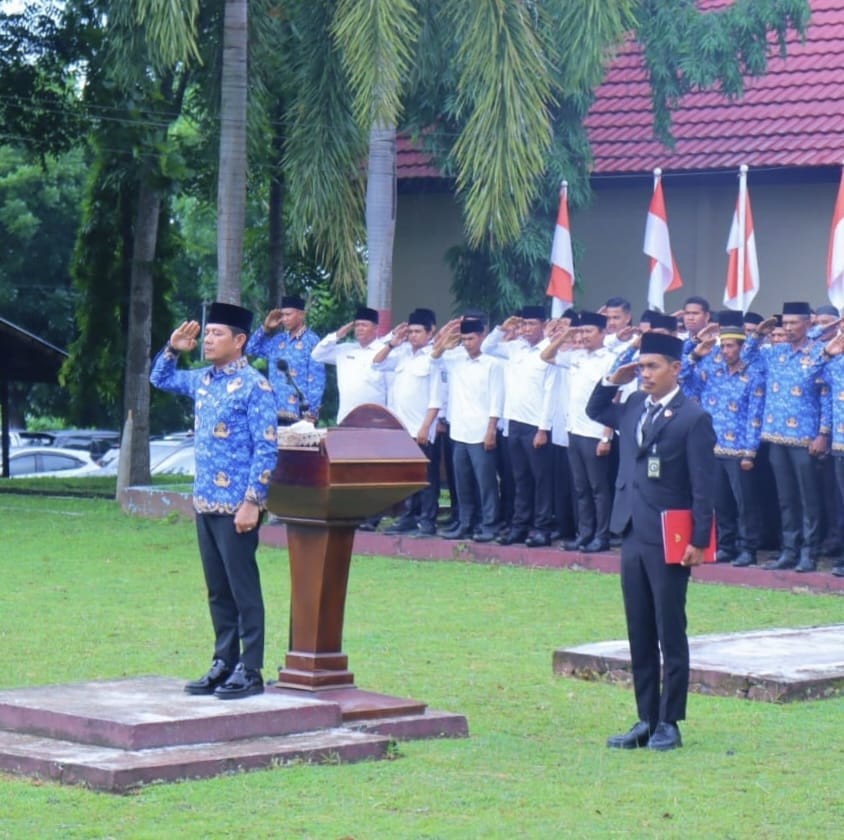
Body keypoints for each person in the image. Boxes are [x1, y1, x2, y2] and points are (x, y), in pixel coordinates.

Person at [586, 331, 716, 751]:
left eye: (652, 366)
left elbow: (703, 485)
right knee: (638, 628)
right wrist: (614, 377)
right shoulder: (635, 405)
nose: (644, 374)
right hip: (632, 530)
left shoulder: (692, 417)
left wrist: (699, 539)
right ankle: (645, 717)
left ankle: (670, 721)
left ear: (675, 369)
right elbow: (596, 409)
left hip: (669, 537)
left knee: (669, 629)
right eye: (641, 367)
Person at [150, 302, 279, 699]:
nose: (207, 340)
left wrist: (253, 501)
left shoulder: (256, 386)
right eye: (206, 334)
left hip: (238, 504)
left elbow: (267, 447)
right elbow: (160, 378)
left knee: (243, 588)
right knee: (217, 589)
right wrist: (172, 348)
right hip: (205, 501)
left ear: (240, 341)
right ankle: (224, 661)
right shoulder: (204, 380)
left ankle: (251, 667)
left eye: (216, 334)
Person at [743, 302, 830, 572]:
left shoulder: (820, 353)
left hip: (805, 437)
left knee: (808, 499)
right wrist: (758, 334)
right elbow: (746, 357)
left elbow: (827, 395)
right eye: (786, 324)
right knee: (786, 498)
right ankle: (789, 551)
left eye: (794, 323)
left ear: (807, 324)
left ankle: (809, 553)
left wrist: (823, 433)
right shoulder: (775, 352)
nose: (789, 328)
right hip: (776, 434)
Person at [684, 311, 765, 566]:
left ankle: (748, 548)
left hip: (739, 451)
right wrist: (696, 354)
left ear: (742, 347)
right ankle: (726, 545)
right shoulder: (712, 372)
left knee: (745, 504)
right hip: (713, 448)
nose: (725, 351)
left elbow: (755, 416)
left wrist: (750, 452)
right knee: (720, 503)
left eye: (731, 346)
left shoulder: (753, 376)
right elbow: (683, 379)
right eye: (723, 345)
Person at [542, 312, 617, 552]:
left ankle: (601, 536)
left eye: (589, 331)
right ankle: (585, 534)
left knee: (598, 488)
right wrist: (566, 333)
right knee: (580, 487)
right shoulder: (576, 356)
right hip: (574, 430)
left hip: (595, 432)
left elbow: (616, 398)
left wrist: (607, 435)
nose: (583, 336)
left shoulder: (610, 359)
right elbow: (546, 355)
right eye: (581, 331)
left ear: (603, 333)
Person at [482, 305, 555, 546]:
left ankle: (542, 528)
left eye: (531, 324)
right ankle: (519, 526)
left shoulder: (549, 351)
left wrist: (543, 429)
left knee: (542, 480)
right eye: (523, 324)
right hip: (514, 422)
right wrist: (503, 327)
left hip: (536, 425)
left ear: (543, 325)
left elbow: (549, 393)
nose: (525, 329)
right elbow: (487, 347)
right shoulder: (515, 348)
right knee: (519, 478)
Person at [373, 309, 443, 537]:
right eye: (410, 331)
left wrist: (426, 426)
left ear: (430, 331)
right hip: (401, 429)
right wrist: (393, 343)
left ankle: (427, 522)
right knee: (408, 477)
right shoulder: (402, 353)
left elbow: (436, 397)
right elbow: (376, 363)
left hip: (421, 428)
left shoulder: (434, 357)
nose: (413, 336)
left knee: (426, 478)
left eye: (418, 331)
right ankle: (408, 518)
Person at [245, 295, 326, 424]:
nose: (284, 319)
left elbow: (317, 380)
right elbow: (250, 349)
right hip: (273, 410)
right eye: (282, 315)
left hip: (300, 413)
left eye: (288, 315)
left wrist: (312, 411)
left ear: (301, 315)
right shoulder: (278, 340)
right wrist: (265, 328)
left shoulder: (312, 341)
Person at [310, 306, 388, 423]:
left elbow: (391, 389)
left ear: (376, 328)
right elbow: (317, 355)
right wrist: (337, 335)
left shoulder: (385, 352)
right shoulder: (345, 349)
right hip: (346, 418)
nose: (360, 329)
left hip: (375, 420)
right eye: (357, 325)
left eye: (364, 325)